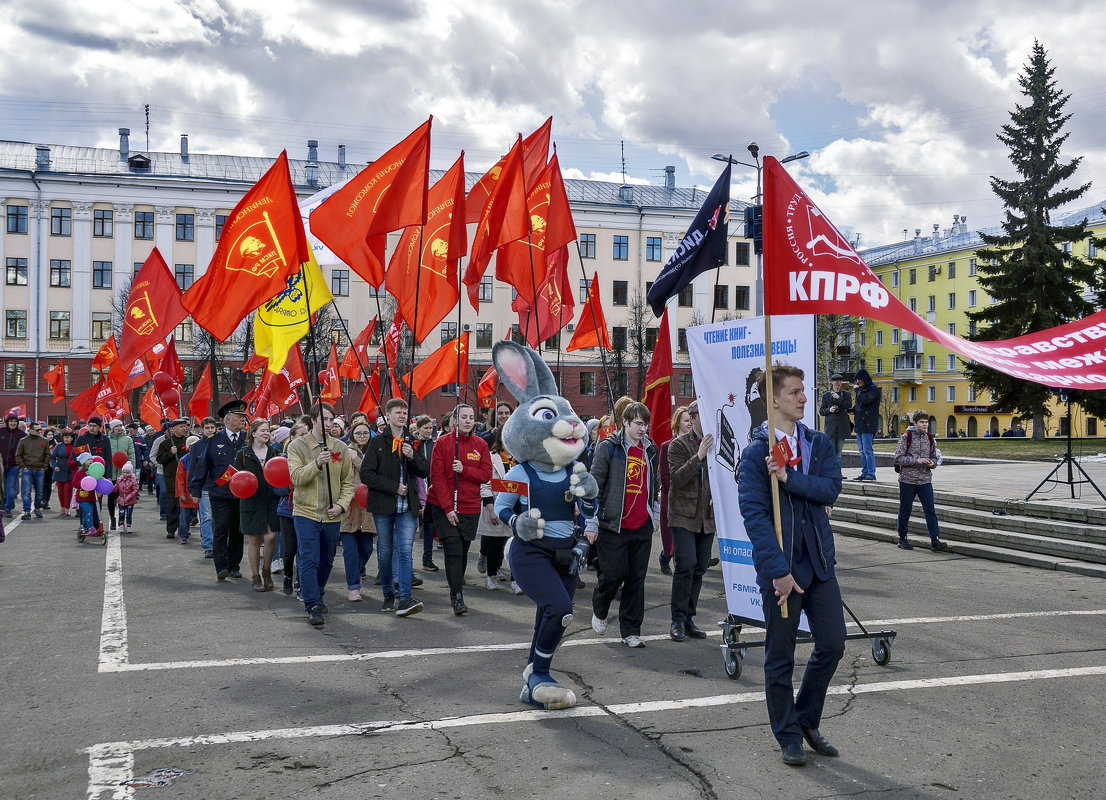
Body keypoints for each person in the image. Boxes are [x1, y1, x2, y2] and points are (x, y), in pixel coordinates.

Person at [738, 364, 846, 767]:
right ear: (774, 400)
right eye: (795, 392)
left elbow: (830, 488)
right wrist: (777, 571)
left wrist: (788, 478)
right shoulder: (755, 454)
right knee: (780, 656)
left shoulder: (817, 444)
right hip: (783, 571)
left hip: (819, 566)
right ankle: (788, 735)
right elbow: (755, 515)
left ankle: (806, 719)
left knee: (833, 645)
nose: (804, 398)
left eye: (804, 391)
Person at [491, 340, 598, 710]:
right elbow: (500, 507)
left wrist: (589, 505)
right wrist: (517, 521)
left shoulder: (575, 470)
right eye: (552, 417)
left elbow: (588, 510)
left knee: (550, 613)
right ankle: (540, 675)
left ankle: (530, 673)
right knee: (559, 609)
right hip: (531, 551)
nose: (569, 425)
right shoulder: (520, 470)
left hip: (566, 552)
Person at [587, 401, 660, 648]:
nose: (643, 429)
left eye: (645, 424)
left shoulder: (651, 449)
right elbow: (594, 486)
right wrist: (592, 522)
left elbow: (655, 485)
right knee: (613, 574)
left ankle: (631, 630)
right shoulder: (608, 448)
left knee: (636, 579)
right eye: (638, 423)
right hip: (613, 524)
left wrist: (655, 514)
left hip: (642, 524)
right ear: (625, 422)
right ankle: (600, 607)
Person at [286, 402, 357, 626]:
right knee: (309, 558)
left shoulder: (340, 447)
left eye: (331, 420)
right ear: (313, 420)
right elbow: (296, 477)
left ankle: (317, 590)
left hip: (331, 514)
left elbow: (347, 482)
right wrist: (317, 463)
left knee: (326, 559)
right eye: (324, 419)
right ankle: (312, 603)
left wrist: (342, 505)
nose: (328, 424)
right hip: (305, 511)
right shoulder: (296, 446)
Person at [363, 398, 428, 616]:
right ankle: (388, 594)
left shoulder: (411, 442)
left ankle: (405, 597)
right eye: (397, 413)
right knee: (385, 550)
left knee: (406, 550)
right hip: (384, 506)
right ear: (388, 416)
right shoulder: (378, 442)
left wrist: (413, 457)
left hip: (407, 508)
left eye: (404, 413)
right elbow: (367, 474)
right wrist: (393, 487)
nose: (402, 416)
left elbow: (424, 471)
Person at [427, 403, 492, 615]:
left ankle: (458, 586)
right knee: (453, 549)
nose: (467, 420)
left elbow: (485, 475)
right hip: (444, 505)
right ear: (454, 420)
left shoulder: (480, 445)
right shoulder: (443, 443)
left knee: (463, 550)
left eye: (470, 417)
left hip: (470, 506)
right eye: (463, 417)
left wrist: (465, 470)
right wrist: (447, 508)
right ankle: (457, 597)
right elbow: (436, 476)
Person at [667, 400, 715, 642]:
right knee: (686, 564)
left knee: (700, 568)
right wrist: (699, 456)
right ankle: (677, 619)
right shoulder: (678, 445)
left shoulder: (717, 443)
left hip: (707, 517)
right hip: (683, 516)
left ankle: (688, 617)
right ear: (693, 418)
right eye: (701, 416)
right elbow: (677, 478)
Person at [235, 419, 281, 591]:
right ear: (253, 433)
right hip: (251, 500)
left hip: (271, 500)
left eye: (268, 430)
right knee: (254, 539)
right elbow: (236, 477)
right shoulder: (243, 454)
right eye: (262, 430)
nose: (266, 433)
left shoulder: (275, 451)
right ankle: (255, 577)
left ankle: (267, 570)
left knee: (271, 536)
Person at [894, 411, 949, 552]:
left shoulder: (930, 438)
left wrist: (932, 463)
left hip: (925, 479)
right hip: (908, 479)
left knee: (930, 509)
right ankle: (902, 538)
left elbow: (935, 457)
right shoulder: (906, 437)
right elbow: (898, 458)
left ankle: (935, 539)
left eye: (926, 422)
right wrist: (916, 460)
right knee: (905, 509)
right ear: (915, 423)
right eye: (922, 422)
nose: (924, 425)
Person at [477, 428, 521, 593]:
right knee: (495, 544)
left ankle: (516, 580)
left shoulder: (523, 458)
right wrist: (490, 508)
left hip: (518, 508)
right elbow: (485, 484)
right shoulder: (491, 457)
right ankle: (491, 575)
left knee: (517, 545)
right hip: (496, 505)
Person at [340, 420, 375, 603]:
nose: (362, 436)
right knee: (350, 550)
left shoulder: (374, 452)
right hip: (349, 507)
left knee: (367, 548)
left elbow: (370, 474)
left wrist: (356, 459)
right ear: (352, 434)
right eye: (358, 433)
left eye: (365, 433)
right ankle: (353, 587)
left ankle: (358, 569)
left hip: (368, 508)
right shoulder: (344, 450)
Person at [658, 406, 692, 576]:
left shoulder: (697, 445)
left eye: (691, 420)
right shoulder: (667, 446)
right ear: (677, 423)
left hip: (692, 502)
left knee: (684, 544)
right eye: (686, 420)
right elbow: (665, 477)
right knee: (670, 541)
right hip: (671, 500)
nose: (689, 424)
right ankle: (664, 558)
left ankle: (681, 568)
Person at [75, 416, 115, 527]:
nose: (92, 428)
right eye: (90, 426)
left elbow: (108, 458)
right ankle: (85, 525)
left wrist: (108, 476)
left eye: (94, 426)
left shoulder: (105, 439)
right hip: (85, 474)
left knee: (97, 500)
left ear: (99, 427)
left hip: (99, 474)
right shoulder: (82, 439)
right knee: (85, 500)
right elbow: (76, 455)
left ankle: (97, 525)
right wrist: (82, 467)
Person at [412, 415, 440, 573]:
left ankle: (427, 559)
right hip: (416, 487)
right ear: (418, 429)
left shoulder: (435, 444)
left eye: (430, 428)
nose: (429, 431)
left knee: (430, 525)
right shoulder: (414, 444)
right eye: (426, 428)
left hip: (432, 487)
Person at [156, 419, 192, 541]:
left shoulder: (190, 442)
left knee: (186, 505)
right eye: (181, 426)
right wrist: (170, 454)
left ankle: (184, 528)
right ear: (174, 429)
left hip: (187, 478)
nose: (184, 428)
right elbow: (160, 459)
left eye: (185, 426)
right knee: (172, 505)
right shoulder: (166, 444)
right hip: (171, 478)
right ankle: (171, 529)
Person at [15, 420, 51, 519]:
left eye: (40, 429)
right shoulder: (23, 441)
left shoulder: (44, 440)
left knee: (39, 492)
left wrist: (44, 467)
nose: (40, 431)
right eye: (37, 430)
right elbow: (18, 455)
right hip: (28, 469)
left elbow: (48, 455)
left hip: (40, 469)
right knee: (26, 492)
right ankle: (27, 511)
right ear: (30, 430)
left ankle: (37, 508)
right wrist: (23, 466)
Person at [850, 368, 881, 481]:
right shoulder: (862, 391)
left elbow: (866, 401)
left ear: (864, 379)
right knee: (861, 450)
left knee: (867, 450)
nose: (858, 382)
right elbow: (859, 406)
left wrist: (858, 391)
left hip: (868, 424)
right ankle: (864, 472)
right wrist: (851, 410)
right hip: (860, 424)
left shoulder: (873, 390)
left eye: (859, 380)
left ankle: (871, 473)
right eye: (856, 380)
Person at [107, 419, 136, 527]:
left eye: (120, 426)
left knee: (123, 498)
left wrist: (130, 469)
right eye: (116, 426)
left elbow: (132, 454)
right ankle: (112, 518)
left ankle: (122, 520)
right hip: (111, 473)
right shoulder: (107, 439)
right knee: (111, 497)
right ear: (112, 428)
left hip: (124, 474)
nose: (119, 428)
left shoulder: (127, 439)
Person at [819, 374, 852, 457]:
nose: (838, 383)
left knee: (839, 453)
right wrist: (829, 410)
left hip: (842, 428)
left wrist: (839, 398)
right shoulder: (826, 395)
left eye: (840, 381)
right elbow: (821, 411)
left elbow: (848, 405)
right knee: (831, 452)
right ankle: (832, 470)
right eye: (836, 381)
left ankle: (838, 470)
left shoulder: (846, 394)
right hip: (830, 428)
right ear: (832, 382)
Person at [0, 413, 25, 518]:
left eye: (15, 421)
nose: (13, 423)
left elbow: (25, 451)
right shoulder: (1, 432)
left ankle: (8, 508)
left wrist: (22, 465)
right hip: (1, 464)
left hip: (14, 465)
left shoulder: (21, 435)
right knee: (2, 488)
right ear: (7, 422)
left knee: (10, 488)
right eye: (11, 421)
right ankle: (4, 505)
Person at [175, 437, 200, 543]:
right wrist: (181, 493)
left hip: (200, 493)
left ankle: (205, 536)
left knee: (205, 517)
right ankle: (183, 534)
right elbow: (179, 479)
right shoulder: (184, 460)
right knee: (184, 517)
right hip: (186, 493)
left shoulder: (204, 458)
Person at [50, 429, 76, 517]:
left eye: (68, 437)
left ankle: (67, 508)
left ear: (72, 438)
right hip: (60, 470)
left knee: (68, 490)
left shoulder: (75, 446)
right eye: (65, 437)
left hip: (71, 470)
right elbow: (52, 458)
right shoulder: (59, 446)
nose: (66, 439)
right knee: (61, 491)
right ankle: (62, 506)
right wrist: (55, 466)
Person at [115, 461, 140, 534]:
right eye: (124, 472)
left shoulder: (133, 480)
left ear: (131, 472)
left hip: (130, 500)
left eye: (127, 472)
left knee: (129, 514)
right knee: (121, 513)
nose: (125, 474)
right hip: (121, 499)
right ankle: (121, 525)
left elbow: (136, 489)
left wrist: (130, 496)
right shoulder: (119, 479)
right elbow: (116, 488)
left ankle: (129, 525)